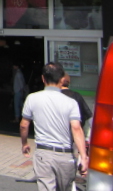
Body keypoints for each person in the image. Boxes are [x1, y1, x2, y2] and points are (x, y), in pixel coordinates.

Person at [20, 62, 88, 191]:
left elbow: (24, 125)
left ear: (43, 78)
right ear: (62, 80)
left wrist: (24, 143)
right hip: (65, 156)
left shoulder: (32, 98)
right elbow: (76, 129)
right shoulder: (71, 102)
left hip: (43, 154)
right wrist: (83, 156)